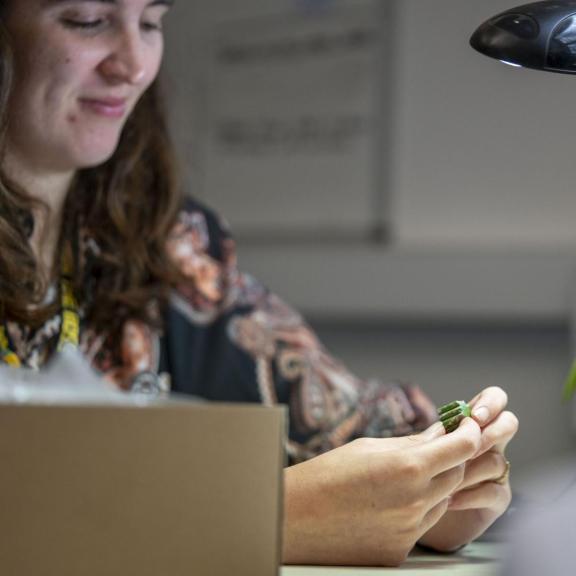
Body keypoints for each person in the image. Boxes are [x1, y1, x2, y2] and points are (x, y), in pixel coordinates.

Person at [0, 0, 519, 566]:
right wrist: (269, 518)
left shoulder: (173, 244)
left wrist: (441, 474)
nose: (133, 66)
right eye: (86, 20)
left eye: (150, 23)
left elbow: (349, 421)